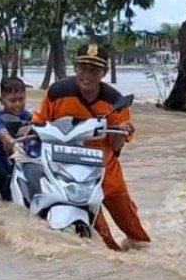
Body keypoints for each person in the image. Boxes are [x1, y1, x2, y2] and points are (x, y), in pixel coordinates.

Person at [29, 43, 151, 251]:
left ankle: (139, 245)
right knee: (99, 234)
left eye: (94, 70)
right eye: (83, 68)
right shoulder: (57, 93)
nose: (87, 75)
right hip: (65, 162)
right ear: (75, 68)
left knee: (125, 211)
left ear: (103, 73)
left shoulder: (115, 100)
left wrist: (121, 131)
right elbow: (39, 123)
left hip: (102, 164)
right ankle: (109, 250)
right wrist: (29, 131)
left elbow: (117, 145)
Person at [0, 77, 30, 202]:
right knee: (2, 203)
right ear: (2, 101)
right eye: (12, 100)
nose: (18, 104)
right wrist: (12, 142)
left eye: (21, 99)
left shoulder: (27, 116)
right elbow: (5, 137)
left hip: (14, 166)